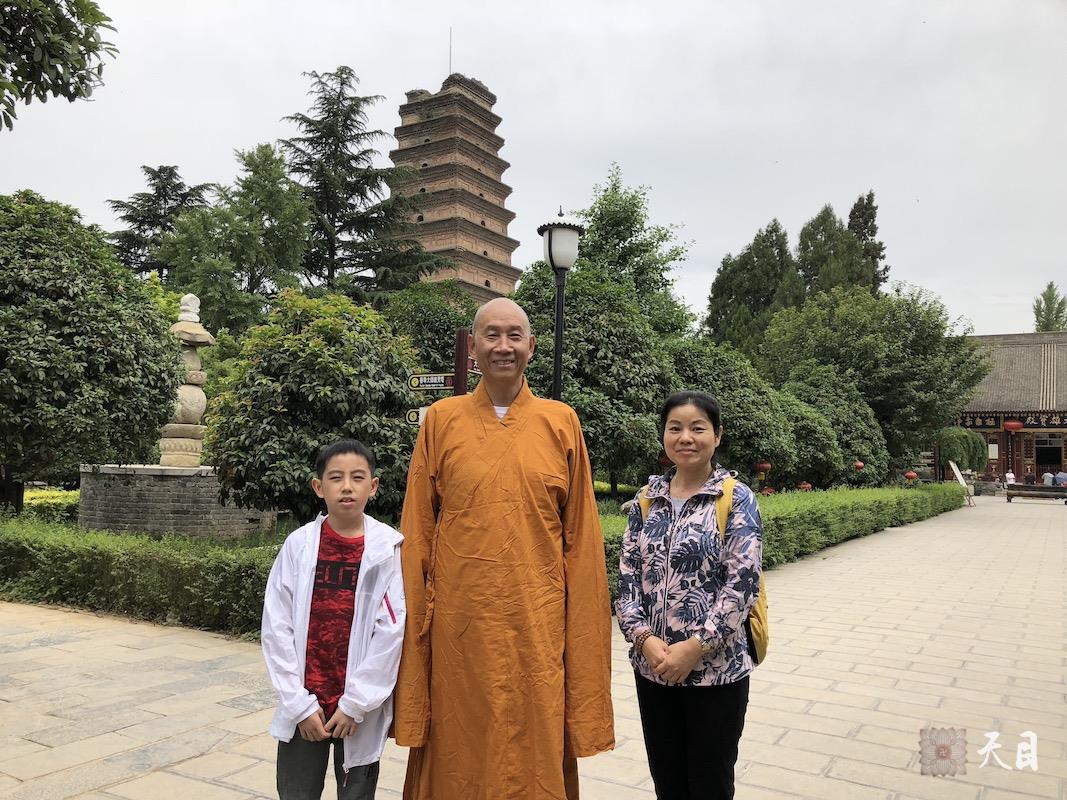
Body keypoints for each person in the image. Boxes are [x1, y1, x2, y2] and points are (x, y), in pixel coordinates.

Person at [394, 298, 615, 800]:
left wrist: (580, 628)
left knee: (533, 737)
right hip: (459, 627)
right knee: (458, 740)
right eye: (491, 335)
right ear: (473, 347)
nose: (503, 346)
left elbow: (582, 543)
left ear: (531, 347)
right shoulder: (441, 421)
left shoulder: (562, 422)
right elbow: (418, 532)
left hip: (535, 624)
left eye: (515, 335)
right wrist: (414, 626)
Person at [616, 390, 763, 800]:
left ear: (717, 435)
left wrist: (694, 649)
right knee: (668, 780)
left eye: (698, 428)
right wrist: (646, 642)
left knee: (710, 782)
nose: (686, 437)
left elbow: (742, 585)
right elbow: (627, 583)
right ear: (663, 436)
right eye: (675, 428)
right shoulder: (645, 503)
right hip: (654, 669)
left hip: (716, 673)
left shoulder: (736, 500)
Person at [262, 439, 406, 800]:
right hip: (305, 701)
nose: (346, 486)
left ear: (372, 487)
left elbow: (390, 633)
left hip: (357, 708)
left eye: (358, 477)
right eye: (336, 477)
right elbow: (276, 625)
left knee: (356, 792)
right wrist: (298, 703)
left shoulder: (387, 550)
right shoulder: (299, 546)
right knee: (296, 791)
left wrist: (356, 702)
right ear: (318, 487)